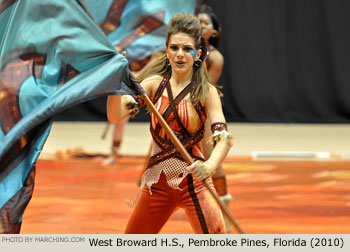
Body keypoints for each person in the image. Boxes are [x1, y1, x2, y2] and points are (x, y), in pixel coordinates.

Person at [107, 13, 233, 234]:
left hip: (195, 184)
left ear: (198, 53)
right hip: (156, 186)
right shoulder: (153, 85)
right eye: (174, 48)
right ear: (167, 51)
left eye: (187, 49)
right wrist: (114, 87)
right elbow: (115, 117)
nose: (180, 54)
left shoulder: (206, 92)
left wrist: (210, 166)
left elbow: (223, 138)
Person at [198, 5, 233, 232]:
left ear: (215, 32)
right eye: (197, 22)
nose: (200, 26)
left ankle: (223, 207)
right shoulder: (182, 50)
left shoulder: (215, 58)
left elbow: (205, 90)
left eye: (205, 23)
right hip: (176, 113)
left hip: (202, 113)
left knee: (212, 162)